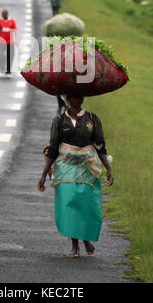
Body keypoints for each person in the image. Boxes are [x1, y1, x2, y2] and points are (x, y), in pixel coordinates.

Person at [38, 94, 114, 258]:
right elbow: (53, 148)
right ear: (67, 99)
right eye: (73, 97)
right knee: (70, 203)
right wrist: (44, 174)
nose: (77, 100)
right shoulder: (59, 120)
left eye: (79, 97)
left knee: (85, 204)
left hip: (87, 166)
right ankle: (74, 245)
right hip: (65, 166)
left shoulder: (92, 119)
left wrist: (108, 169)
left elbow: (100, 146)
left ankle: (86, 239)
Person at [0, 9, 18, 78]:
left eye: (4, 15)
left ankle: (8, 72)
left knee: (10, 57)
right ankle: (1, 70)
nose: (3, 16)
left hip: (10, 42)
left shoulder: (12, 21)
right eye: (2, 15)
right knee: (1, 56)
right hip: (2, 42)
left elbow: (15, 31)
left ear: (7, 14)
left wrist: (16, 40)